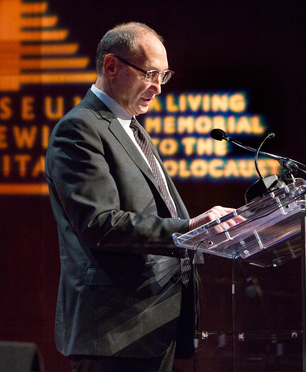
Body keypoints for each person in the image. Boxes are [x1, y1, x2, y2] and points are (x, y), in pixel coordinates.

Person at [45, 22, 234, 372]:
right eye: (149, 73)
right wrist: (188, 228)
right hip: (114, 332)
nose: (158, 88)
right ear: (111, 67)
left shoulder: (134, 130)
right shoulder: (79, 129)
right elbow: (98, 224)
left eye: (164, 76)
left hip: (153, 326)